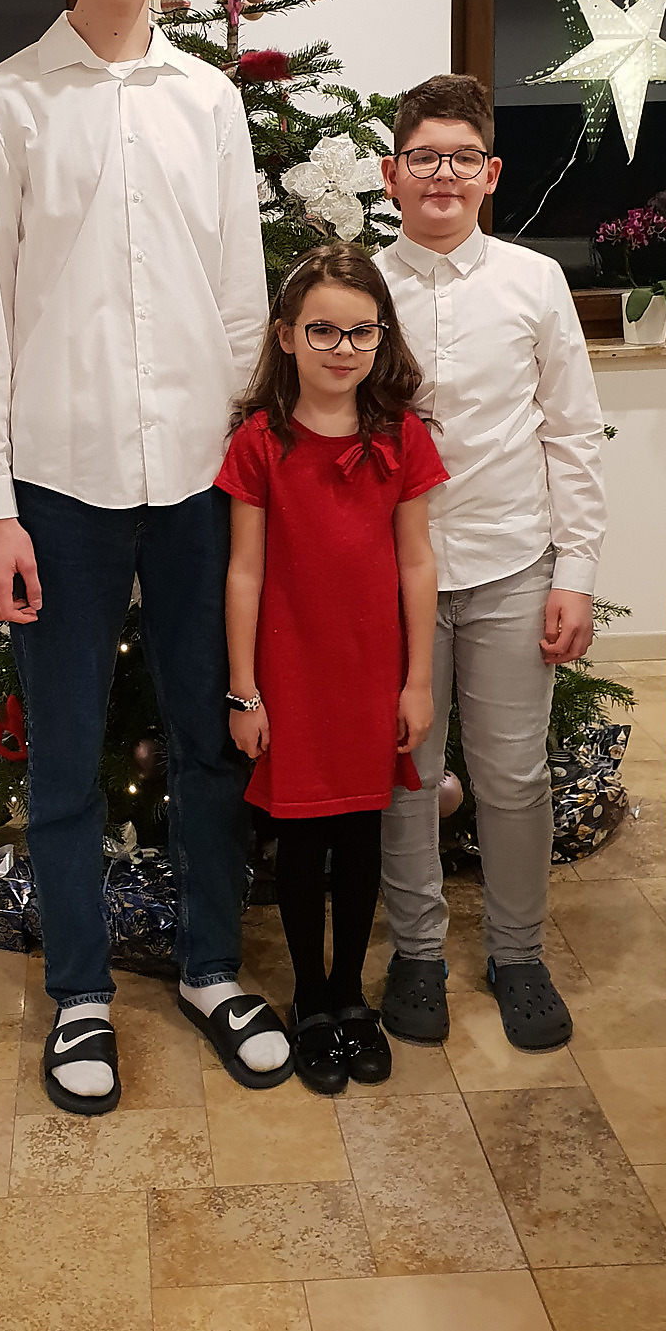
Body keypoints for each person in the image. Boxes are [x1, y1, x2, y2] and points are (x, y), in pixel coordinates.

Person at [0, 0, 295, 1115]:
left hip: (203, 479)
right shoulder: (5, 106)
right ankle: (81, 995)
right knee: (65, 758)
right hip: (60, 486)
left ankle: (210, 968)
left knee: (212, 739)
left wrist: (255, 475)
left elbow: (239, 298)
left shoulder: (209, 101)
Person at [374, 74, 606, 1051]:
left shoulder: (533, 281)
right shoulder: (358, 288)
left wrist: (576, 570)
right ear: (391, 173)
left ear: (492, 173)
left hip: (512, 561)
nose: (443, 175)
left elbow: (573, 431)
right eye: (424, 156)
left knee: (513, 776)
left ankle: (517, 954)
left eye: (462, 158)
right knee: (407, 773)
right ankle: (417, 952)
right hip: (392, 574)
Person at [217, 243, 447, 1093]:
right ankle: (310, 998)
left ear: (383, 337)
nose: (343, 348)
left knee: (359, 839)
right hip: (290, 675)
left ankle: (350, 993)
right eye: (323, 330)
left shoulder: (402, 438)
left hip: (370, 674)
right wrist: (245, 691)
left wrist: (417, 681)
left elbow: (416, 562)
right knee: (302, 840)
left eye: (362, 331)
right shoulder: (259, 443)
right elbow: (244, 572)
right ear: (286, 336)